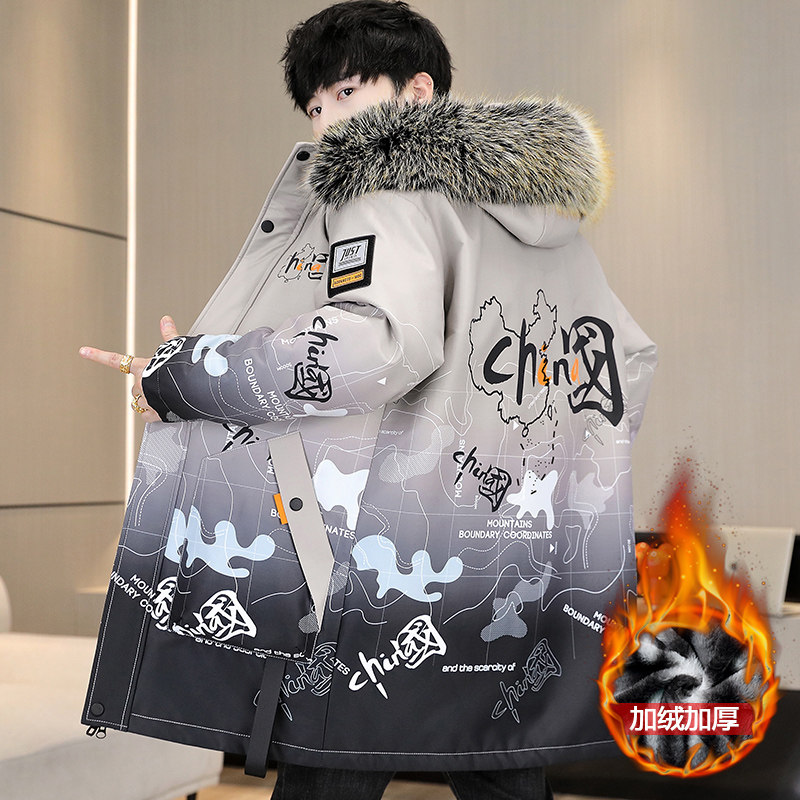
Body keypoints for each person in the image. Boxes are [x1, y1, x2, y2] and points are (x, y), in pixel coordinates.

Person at [79, 2, 657, 798]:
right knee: (501, 767)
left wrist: (193, 372)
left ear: (416, 92)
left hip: (392, 565)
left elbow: (375, 343)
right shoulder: (546, 220)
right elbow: (624, 363)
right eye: (315, 106)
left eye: (347, 93)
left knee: (332, 762)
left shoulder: (383, 180)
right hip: (511, 571)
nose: (328, 124)